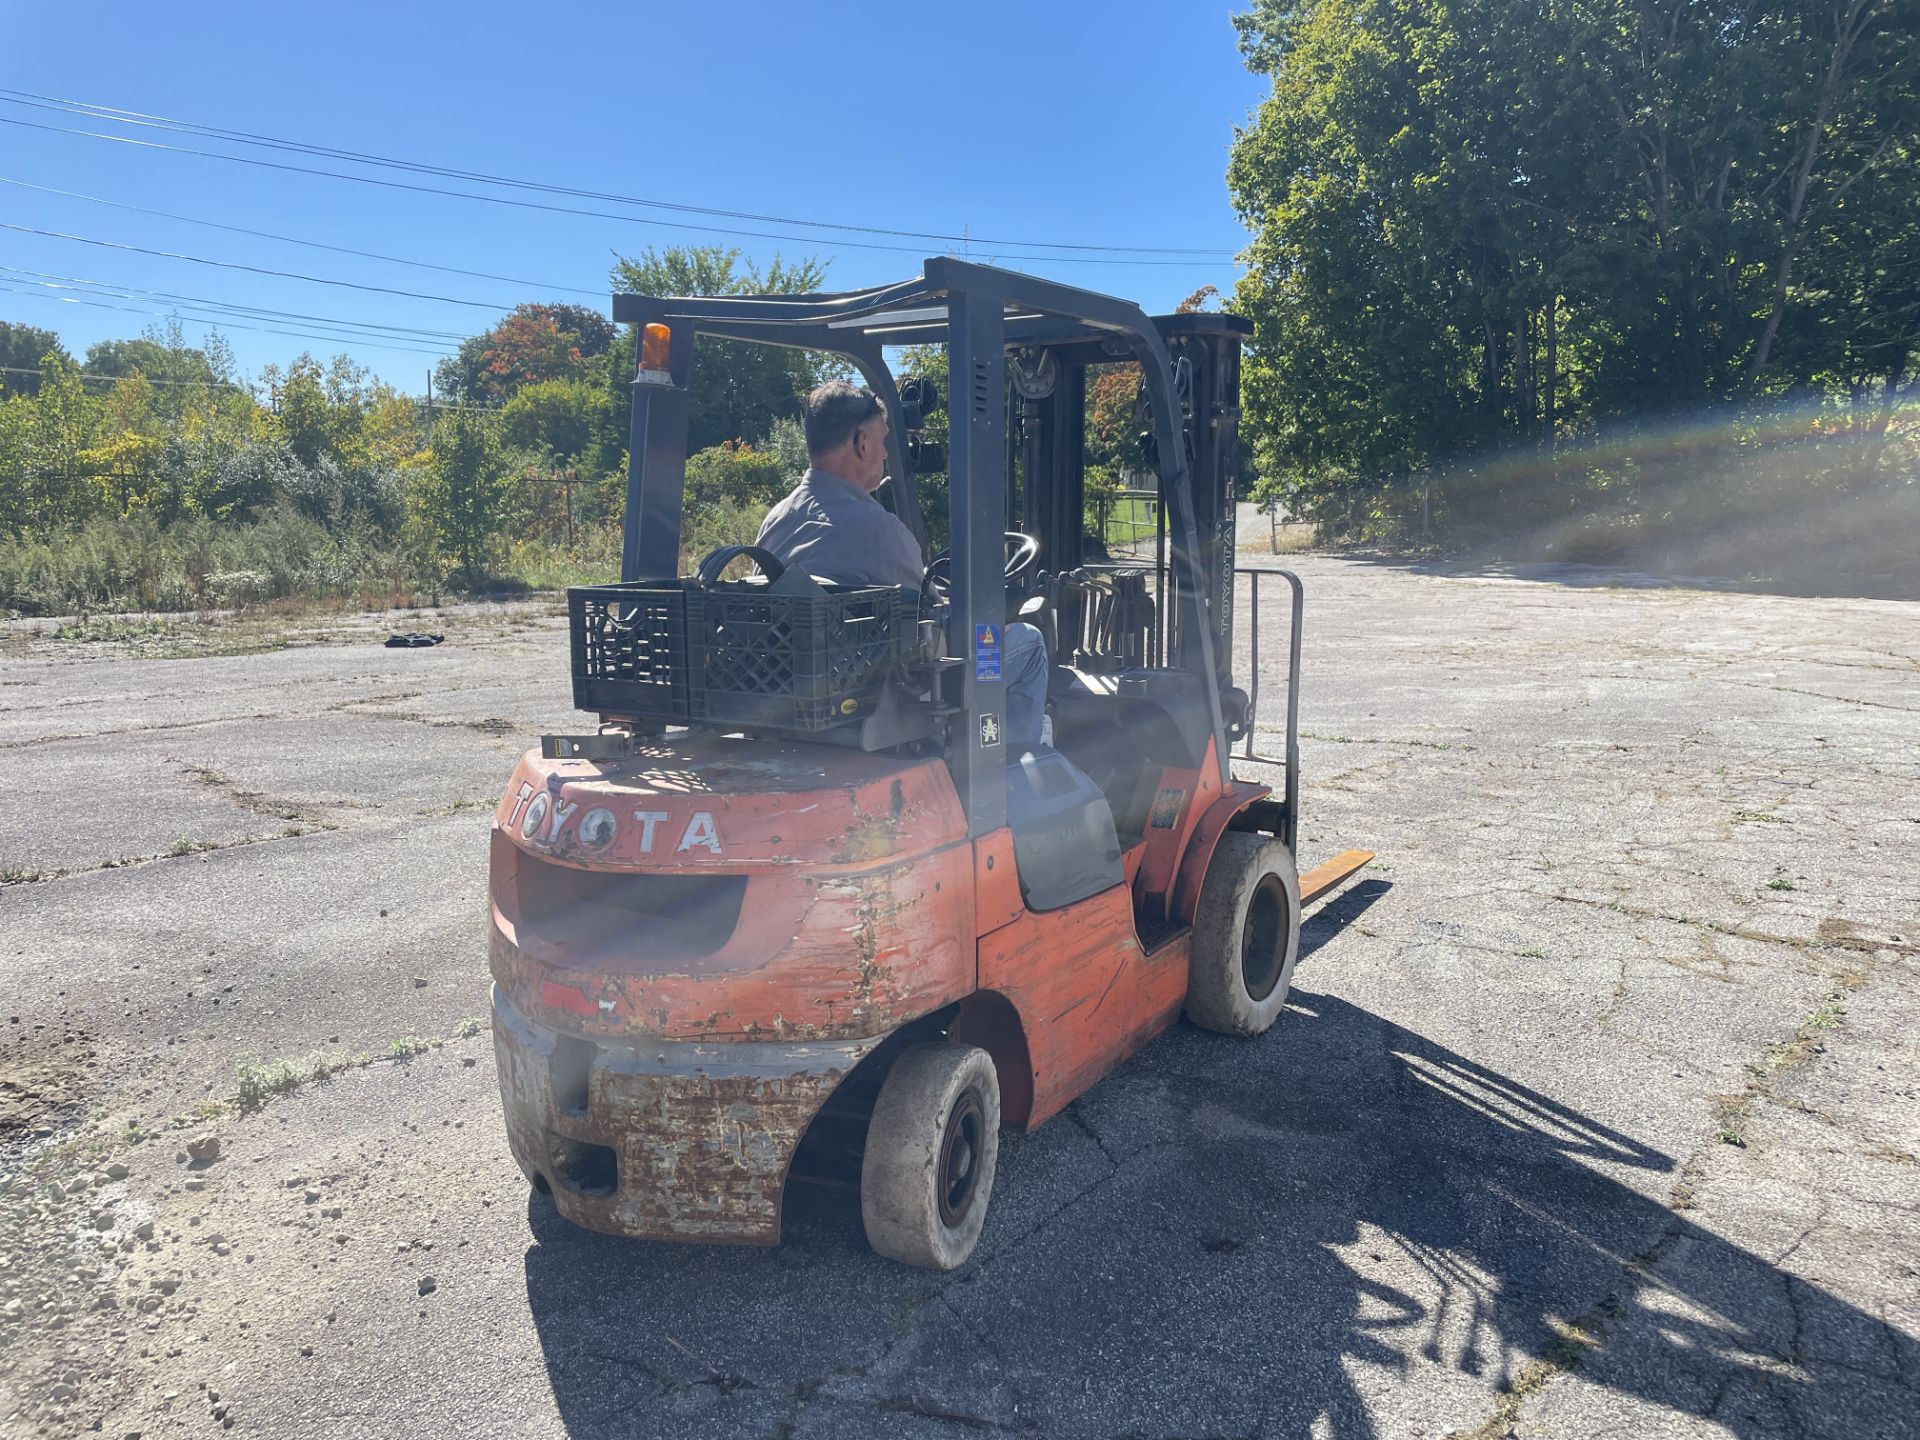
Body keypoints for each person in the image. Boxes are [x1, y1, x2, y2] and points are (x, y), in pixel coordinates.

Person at [757, 381, 1049, 756]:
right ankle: (1007, 766)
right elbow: (935, 626)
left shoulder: (776, 520)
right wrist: (992, 625)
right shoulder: (879, 530)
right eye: (882, 441)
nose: (883, 453)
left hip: (799, 686)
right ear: (862, 443)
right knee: (1027, 642)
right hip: (886, 693)